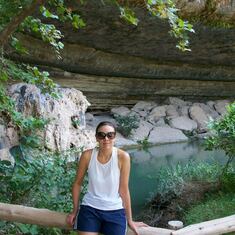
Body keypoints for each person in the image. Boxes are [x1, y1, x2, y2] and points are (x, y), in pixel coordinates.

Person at [66, 121, 148, 235]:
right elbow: (77, 184)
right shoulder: (87, 156)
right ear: (96, 138)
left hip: (115, 211)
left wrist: (129, 219)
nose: (106, 139)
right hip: (90, 209)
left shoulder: (123, 157)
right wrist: (74, 211)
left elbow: (124, 189)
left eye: (110, 135)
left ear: (115, 137)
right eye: (101, 135)